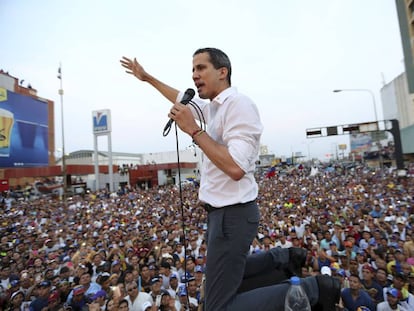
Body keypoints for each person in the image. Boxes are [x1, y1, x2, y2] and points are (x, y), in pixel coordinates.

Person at [120, 47, 340, 311]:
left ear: (222, 72)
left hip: (232, 215)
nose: (194, 75)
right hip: (221, 215)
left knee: (218, 306)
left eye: (201, 68)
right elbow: (181, 97)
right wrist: (147, 78)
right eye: (192, 69)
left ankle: (313, 289)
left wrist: (192, 129)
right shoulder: (213, 108)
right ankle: (284, 258)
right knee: (222, 277)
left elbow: (236, 167)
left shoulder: (238, 105)